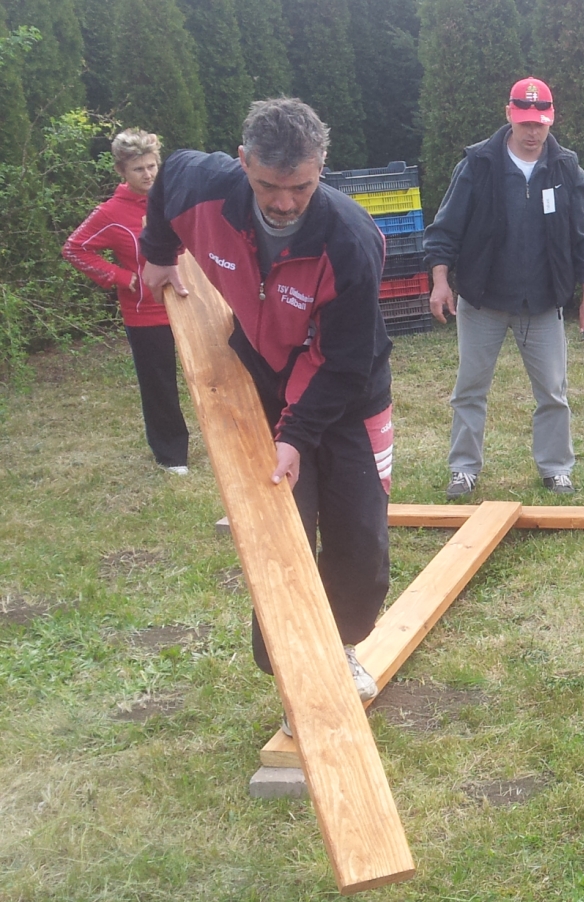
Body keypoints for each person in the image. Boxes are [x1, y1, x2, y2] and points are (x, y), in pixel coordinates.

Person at [140, 98, 391, 711]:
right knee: (279, 535)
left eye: (300, 186)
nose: (284, 202)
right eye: (269, 186)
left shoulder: (351, 240)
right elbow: (167, 177)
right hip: (262, 384)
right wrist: (158, 251)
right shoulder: (204, 186)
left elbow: (344, 359)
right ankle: (294, 668)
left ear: (322, 165)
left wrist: (297, 434)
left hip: (350, 395)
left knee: (360, 541)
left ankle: (343, 644)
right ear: (243, 162)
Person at [425, 77, 584, 500]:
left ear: (551, 119)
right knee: (470, 388)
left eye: (539, 123)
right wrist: (440, 281)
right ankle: (463, 469)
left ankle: (556, 468)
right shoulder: (478, 164)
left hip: (541, 304)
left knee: (553, 393)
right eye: (524, 122)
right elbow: (445, 228)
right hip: (482, 300)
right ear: (509, 115)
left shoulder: (566, 168)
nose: (531, 132)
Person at [63, 129, 191, 475]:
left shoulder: (174, 199)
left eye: (152, 166)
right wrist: (121, 277)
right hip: (145, 314)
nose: (148, 175)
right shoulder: (110, 213)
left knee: (213, 375)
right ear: (122, 171)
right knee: (159, 385)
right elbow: (74, 248)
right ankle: (171, 455)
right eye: (138, 169)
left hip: (190, 306)